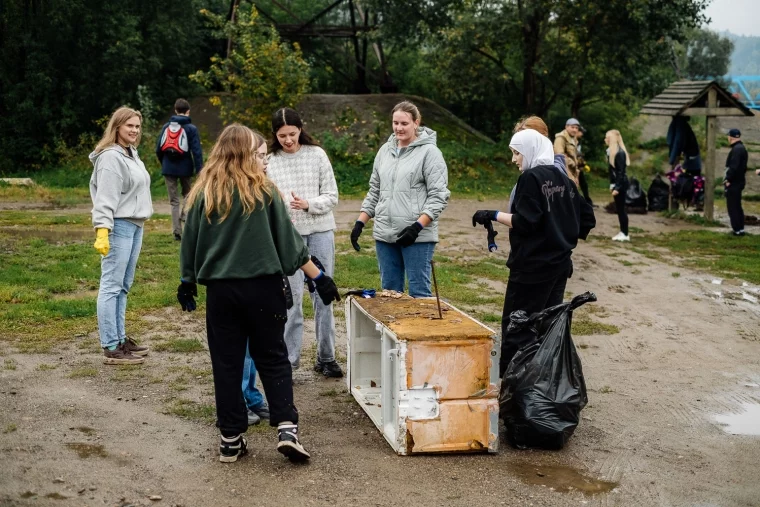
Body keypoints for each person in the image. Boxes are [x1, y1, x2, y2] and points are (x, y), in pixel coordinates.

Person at [178, 124, 340, 463]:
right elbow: (291, 245)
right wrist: (319, 277)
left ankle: (230, 438)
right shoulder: (264, 192)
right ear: (242, 155)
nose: (265, 162)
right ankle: (286, 428)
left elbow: (190, 241)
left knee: (227, 363)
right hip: (264, 289)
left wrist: (187, 280)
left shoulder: (203, 193)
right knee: (272, 357)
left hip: (222, 293)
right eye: (260, 155)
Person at [472, 129, 595, 376]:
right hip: (559, 267)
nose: (514, 159)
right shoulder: (563, 177)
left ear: (529, 151)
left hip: (531, 269)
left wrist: (492, 215)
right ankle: (541, 386)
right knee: (545, 329)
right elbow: (587, 219)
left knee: (518, 328)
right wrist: (559, 233)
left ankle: (513, 394)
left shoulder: (531, 178)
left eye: (517, 153)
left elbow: (527, 221)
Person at [266, 108, 342, 377]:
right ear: (275, 134)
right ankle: (289, 361)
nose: (288, 140)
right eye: (282, 135)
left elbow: (332, 195)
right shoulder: (269, 160)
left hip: (320, 230)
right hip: (289, 237)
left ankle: (326, 357)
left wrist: (309, 204)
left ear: (301, 129)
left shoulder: (317, 154)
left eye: (292, 134)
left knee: (324, 293)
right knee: (292, 299)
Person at [350, 101, 450, 297]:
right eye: (395, 123)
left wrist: (417, 227)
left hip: (416, 237)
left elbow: (439, 196)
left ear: (416, 123)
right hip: (385, 235)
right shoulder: (384, 151)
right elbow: (375, 191)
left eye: (404, 123)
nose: (399, 128)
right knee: (389, 294)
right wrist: (360, 223)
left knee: (419, 295)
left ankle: (421, 330)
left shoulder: (430, 153)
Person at [89, 107, 153, 365]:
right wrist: (102, 230)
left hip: (135, 225)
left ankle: (120, 338)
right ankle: (110, 345)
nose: (135, 131)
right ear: (117, 127)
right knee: (111, 286)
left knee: (123, 286)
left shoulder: (131, 154)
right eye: (130, 126)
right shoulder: (111, 158)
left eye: (137, 126)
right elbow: (104, 198)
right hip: (119, 226)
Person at [156, 98, 204, 241]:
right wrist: (199, 170)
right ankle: (184, 216)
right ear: (188, 111)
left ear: (175, 110)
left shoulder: (166, 126)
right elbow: (197, 152)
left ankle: (177, 231)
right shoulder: (191, 128)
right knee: (188, 196)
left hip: (168, 168)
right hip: (185, 168)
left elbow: (158, 148)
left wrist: (163, 162)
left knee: (174, 201)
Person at [606, 130, 630, 242]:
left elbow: (620, 172)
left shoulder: (620, 153)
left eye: (607, 138)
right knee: (620, 209)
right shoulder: (612, 152)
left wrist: (617, 187)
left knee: (621, 209)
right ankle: (623, 232)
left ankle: (624, 233)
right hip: (617, 184)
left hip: (621, 185)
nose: (605, 140)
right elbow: (613, 172)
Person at [725, 128, 748, 236]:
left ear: (730, 137)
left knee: (732, 207)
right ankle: (741, 229)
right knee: (737, 206)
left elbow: (733, 167)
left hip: (734, 182)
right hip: (740, 181)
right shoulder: (741, 148)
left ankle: (736, 230)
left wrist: (728, 179)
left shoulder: (736, 150)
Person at [554, 118, 581, 184]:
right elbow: (559, 157)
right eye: (572, 127)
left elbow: (574, 157)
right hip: (564, 171)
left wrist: (576, 175)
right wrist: (570, 176)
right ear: (566, 127)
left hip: (572, 171)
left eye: (576, 128)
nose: (575, 130)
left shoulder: (573, 139)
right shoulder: (561, 138)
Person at [575, 127, 594, 206]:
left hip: (579, 167)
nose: (582, 134)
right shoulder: (572, 141)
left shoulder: (579, 142)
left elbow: (579, 154)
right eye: (581, 132)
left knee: (584, 184)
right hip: (573, 167)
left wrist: (583, 164)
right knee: (576, 184)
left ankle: (587, 201)